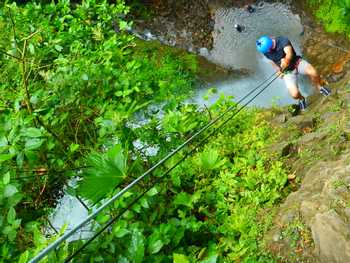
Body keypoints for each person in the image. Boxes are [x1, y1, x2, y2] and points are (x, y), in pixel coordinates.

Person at [256, 35, 331, 110]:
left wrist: (286, 61)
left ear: (270, 45)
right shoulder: (265, 51)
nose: (267, 52)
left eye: (267, 50)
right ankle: (302, 99)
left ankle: (320, 87)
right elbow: (272, 61)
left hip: (296, 63)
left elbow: (289, 53)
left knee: (313, 72)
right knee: (294, 94)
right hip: (287, 71)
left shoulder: (282, 40)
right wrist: (278, 70)